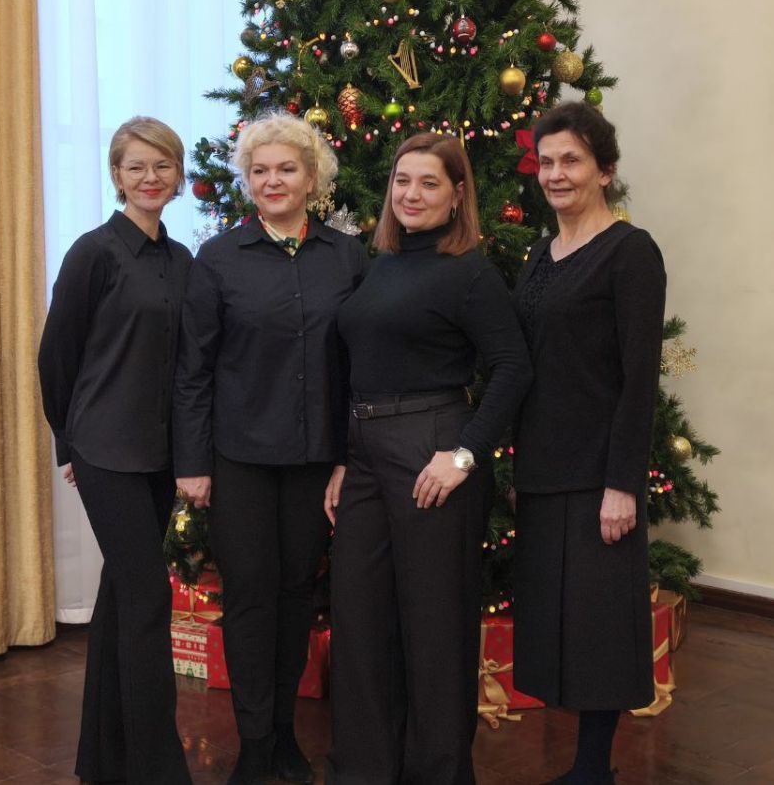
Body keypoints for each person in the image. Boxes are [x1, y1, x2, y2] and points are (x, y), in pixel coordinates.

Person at [326, 133, 532, 784]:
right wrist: (342, 459)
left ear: (458, 194)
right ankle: (365, 772)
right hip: (364, 454)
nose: (411, 194)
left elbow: (513, 367)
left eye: (429, 183)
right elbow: (361, 364)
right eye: (402, 180)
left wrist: (465, 454)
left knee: (435, 629)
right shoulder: (381, 263)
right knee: (360, 621)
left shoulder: (470, 271)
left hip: (432, 450)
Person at [172, 112, 368, 785]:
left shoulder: (345, 257)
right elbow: (193, 369)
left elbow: (359, 364)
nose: (273, 180)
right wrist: (192, 464)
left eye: (287, 169)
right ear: (247, 181)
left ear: (312, 179)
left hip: (316, 461)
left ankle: (284, 733)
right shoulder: (219, 258)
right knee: (252, 599)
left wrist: (347, 458)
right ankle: (255, 742)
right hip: (241, 460)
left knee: (295, 598)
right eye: (260, 171)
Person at [511, 102, 666, 785]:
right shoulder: (539, 253)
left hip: (599, 475)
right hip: (543, 470)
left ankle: (593, 770)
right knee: (558, 624)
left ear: (605, 170)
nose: (555, 174)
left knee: (599, 627)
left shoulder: (631, 253)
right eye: (545, 161)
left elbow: (639, 379)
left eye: (570, 160)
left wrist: (622, 484)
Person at [37, 116, 193, 785]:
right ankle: (157, 768)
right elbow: (56, 356)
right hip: (105, 450)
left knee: (122, 595)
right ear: (117, 177)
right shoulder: (93, 253)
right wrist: (70, 444)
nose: (150, 177)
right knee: (148, 594)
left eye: (162, 166)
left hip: (160, 454)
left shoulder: (183, 262)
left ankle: (103, 759)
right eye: (137, 167)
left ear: (178, 176)